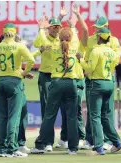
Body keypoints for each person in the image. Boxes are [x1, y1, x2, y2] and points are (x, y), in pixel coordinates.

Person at [31, 15, 81, 155]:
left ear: (59, 37)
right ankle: (73, 148)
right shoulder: (74, 45)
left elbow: (42, 39)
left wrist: (41, 27)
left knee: (49, 115)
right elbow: (75, 36)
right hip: (71, 83)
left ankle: (41, 145)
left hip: (57, 82)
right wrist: (72, 25)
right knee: (72, 116)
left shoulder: (53, 46)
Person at [0, 23, 35, 157]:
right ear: (14, 33)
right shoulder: (19, 46)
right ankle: (12, 149)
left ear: (3, 33)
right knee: (14, 117)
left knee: (2, 117)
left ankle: (2, 148)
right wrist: (24, 72)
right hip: (14, 82)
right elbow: (31, 60)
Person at [77, 27, 121, 155]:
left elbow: (89, 69)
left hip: (96, 84)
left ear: (99, 37)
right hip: (109, 83)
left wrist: (80, 60)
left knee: (95, 116)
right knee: (106, 116)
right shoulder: (112, 52)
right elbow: (115, 64)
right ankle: (117, 142)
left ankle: (98, 147)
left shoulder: (96, 51)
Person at [33, 8, 67, 152]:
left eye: (58, 27)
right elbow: (37, 43)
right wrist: (42, 28)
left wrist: (58, 18)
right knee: (47, 109)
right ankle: (47, 142)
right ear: (49, 28)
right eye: (53, 27)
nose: (56, 30)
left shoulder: (62, 41)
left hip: (59, 77)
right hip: (46, 76)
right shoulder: (45, 38)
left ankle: (65, 139)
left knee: (65, 108)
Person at [55, 4, 89, 150]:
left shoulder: (80, 45)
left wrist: (77, 16)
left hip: (78, 79)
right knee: (66, 110)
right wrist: (60, 18)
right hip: (67, 79)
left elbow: (85, 30)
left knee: (76, 110)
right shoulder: (63, 45)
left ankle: (80, 138)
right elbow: (54, 31)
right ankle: (64, 137)